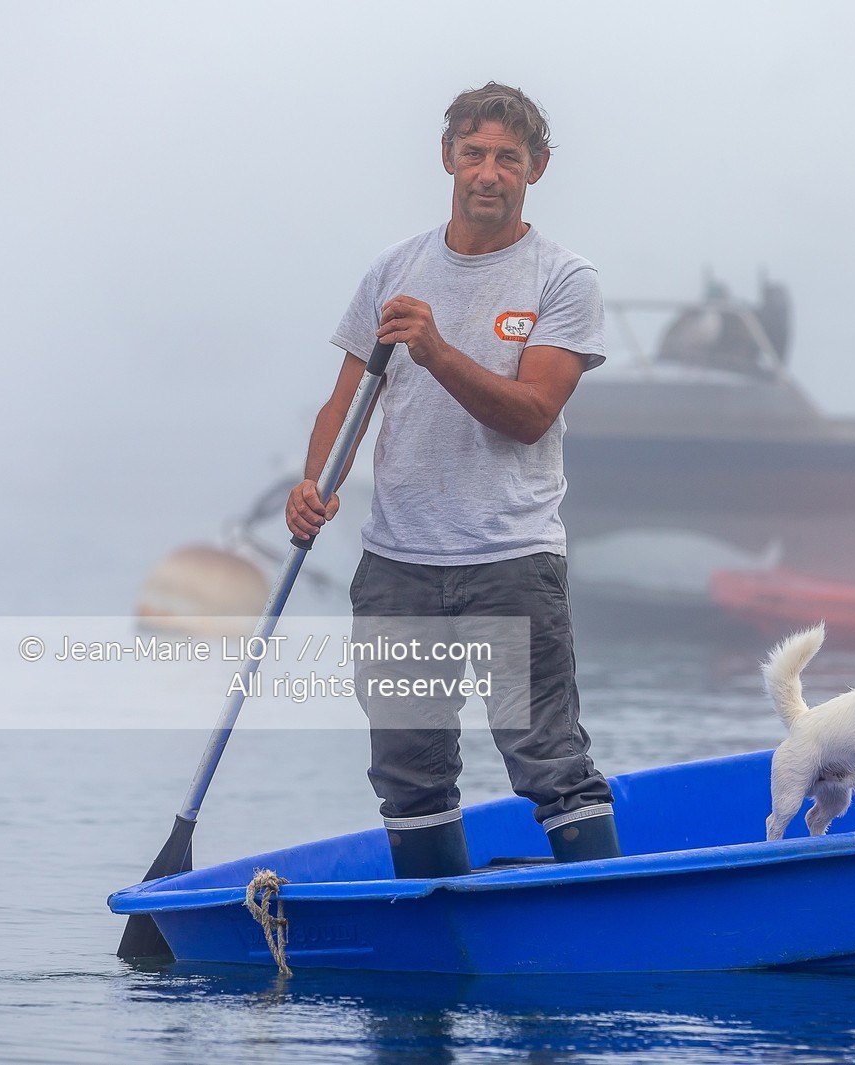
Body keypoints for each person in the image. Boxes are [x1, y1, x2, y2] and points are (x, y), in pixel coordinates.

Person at [284, 82, 618, 878]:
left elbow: (533, 411)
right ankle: (437, 936)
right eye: (474, 154)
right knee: (408, 773)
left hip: (510, 561)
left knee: (547, 759)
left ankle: (608, 911)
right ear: (447, 160)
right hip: (398, 565)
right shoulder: (394, 269)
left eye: (509, 157)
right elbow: (346, 402)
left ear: (535, 169)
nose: (489, 173)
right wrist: (312, 486)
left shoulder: (563, 279)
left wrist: (436, 352)